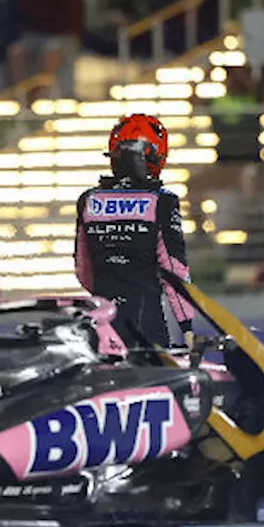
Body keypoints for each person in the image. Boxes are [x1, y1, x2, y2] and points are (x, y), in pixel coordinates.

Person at [74, 114, 195, 354]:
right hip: (146, 324)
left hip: (100, 324)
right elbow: (174, 271)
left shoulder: (88, 200)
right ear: (157, 155)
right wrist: (187, 328)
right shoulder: (162, 201)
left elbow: (82, 269)